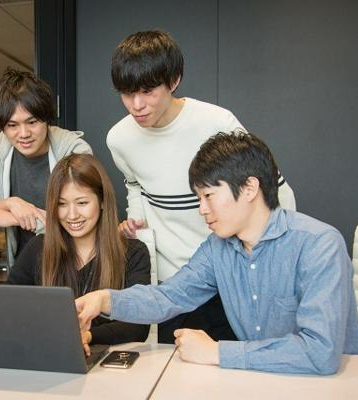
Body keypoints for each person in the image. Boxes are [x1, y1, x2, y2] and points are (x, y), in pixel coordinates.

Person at [77, 131, 358, 375]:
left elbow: (320, 352)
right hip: (261, 380)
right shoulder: (218, 248)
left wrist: (217, 352)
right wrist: (104, 299)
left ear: (249, 188)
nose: (202, 209)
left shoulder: (319, 244)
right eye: (199, 198)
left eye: (209, 196)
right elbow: (169, 297)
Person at [107, 30, 296, 342]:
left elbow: (277, 193)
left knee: (237, 363)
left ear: (174, 81)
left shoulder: (217, 123)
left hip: (230, 278)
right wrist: (137, 218)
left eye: (148, 91)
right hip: (173, 283)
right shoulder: (119, 139)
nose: (137, 105)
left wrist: (271, 264)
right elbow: (134, 184)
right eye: (127, 94)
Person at [8, 154, 150, 350]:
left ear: (102, 201)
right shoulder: (38, 248)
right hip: (48, 354)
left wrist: (88, 336)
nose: (72, 215)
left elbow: (138, 326)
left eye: (82, 203)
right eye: (62, 204)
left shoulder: (133, 253)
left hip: (107, 359)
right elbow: (8, 307)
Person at [0, 67, 92, 265]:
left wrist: (18, 218)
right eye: (12, 125)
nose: (24, 134)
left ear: (46, 118)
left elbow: (78, 221)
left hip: (72, 264)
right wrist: (9, 204)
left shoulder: (74, 150)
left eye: (32, 122)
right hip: (23, 267)